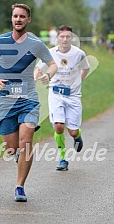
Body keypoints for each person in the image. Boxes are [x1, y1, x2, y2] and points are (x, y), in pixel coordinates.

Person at [0, 3, 57, 202]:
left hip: (29, 100)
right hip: (6, 101)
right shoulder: (0, 41)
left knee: (26, 142)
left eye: (22, 17)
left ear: (28, 20)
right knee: (11, 148)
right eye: (15, 16)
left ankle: (19, 186)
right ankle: (17, 156)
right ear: (11, 18)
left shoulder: (35, 43)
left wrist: (48, 76)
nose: (18, 19)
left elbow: (52, 64)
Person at [34, 25, 90, 171]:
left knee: (72, 131)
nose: (65, 39)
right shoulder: (50, 53)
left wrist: (79, 81)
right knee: (58, 125)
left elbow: (86, 68)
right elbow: (39, 68)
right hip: (56, 93)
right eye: (62, 36)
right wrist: (35, 79)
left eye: (68, 37)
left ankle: (77, 136)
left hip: (73, 96)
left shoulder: (79, 54)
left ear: (72, 38)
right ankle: (63, 158)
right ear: (57, 38)